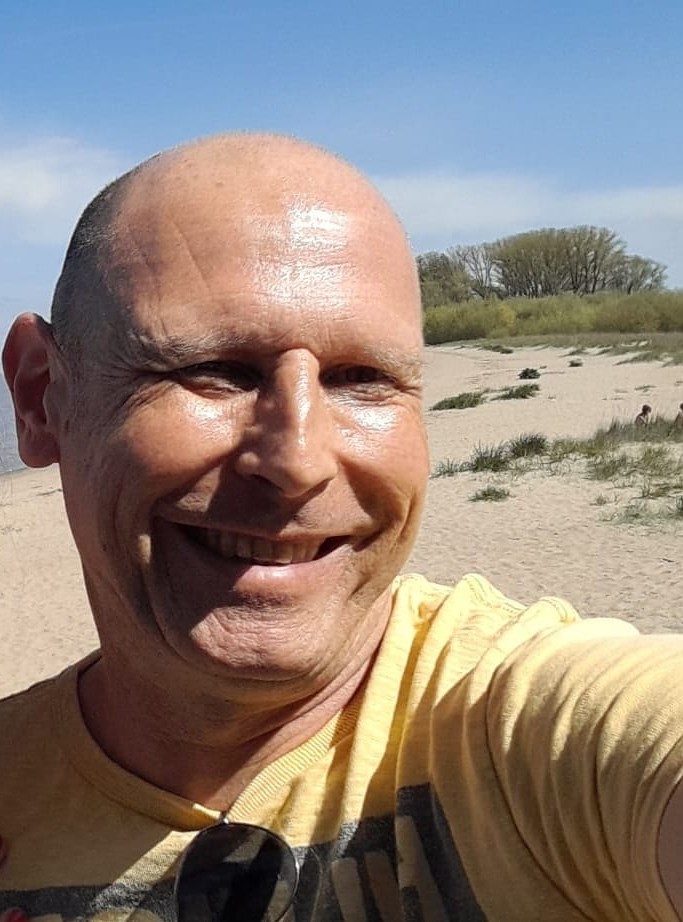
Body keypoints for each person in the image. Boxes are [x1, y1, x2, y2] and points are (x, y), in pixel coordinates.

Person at [1, 133, 683, 922]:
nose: (298, 461)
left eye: (362, 378)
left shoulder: (527, 731)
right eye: (215, 370)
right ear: (41, 397)